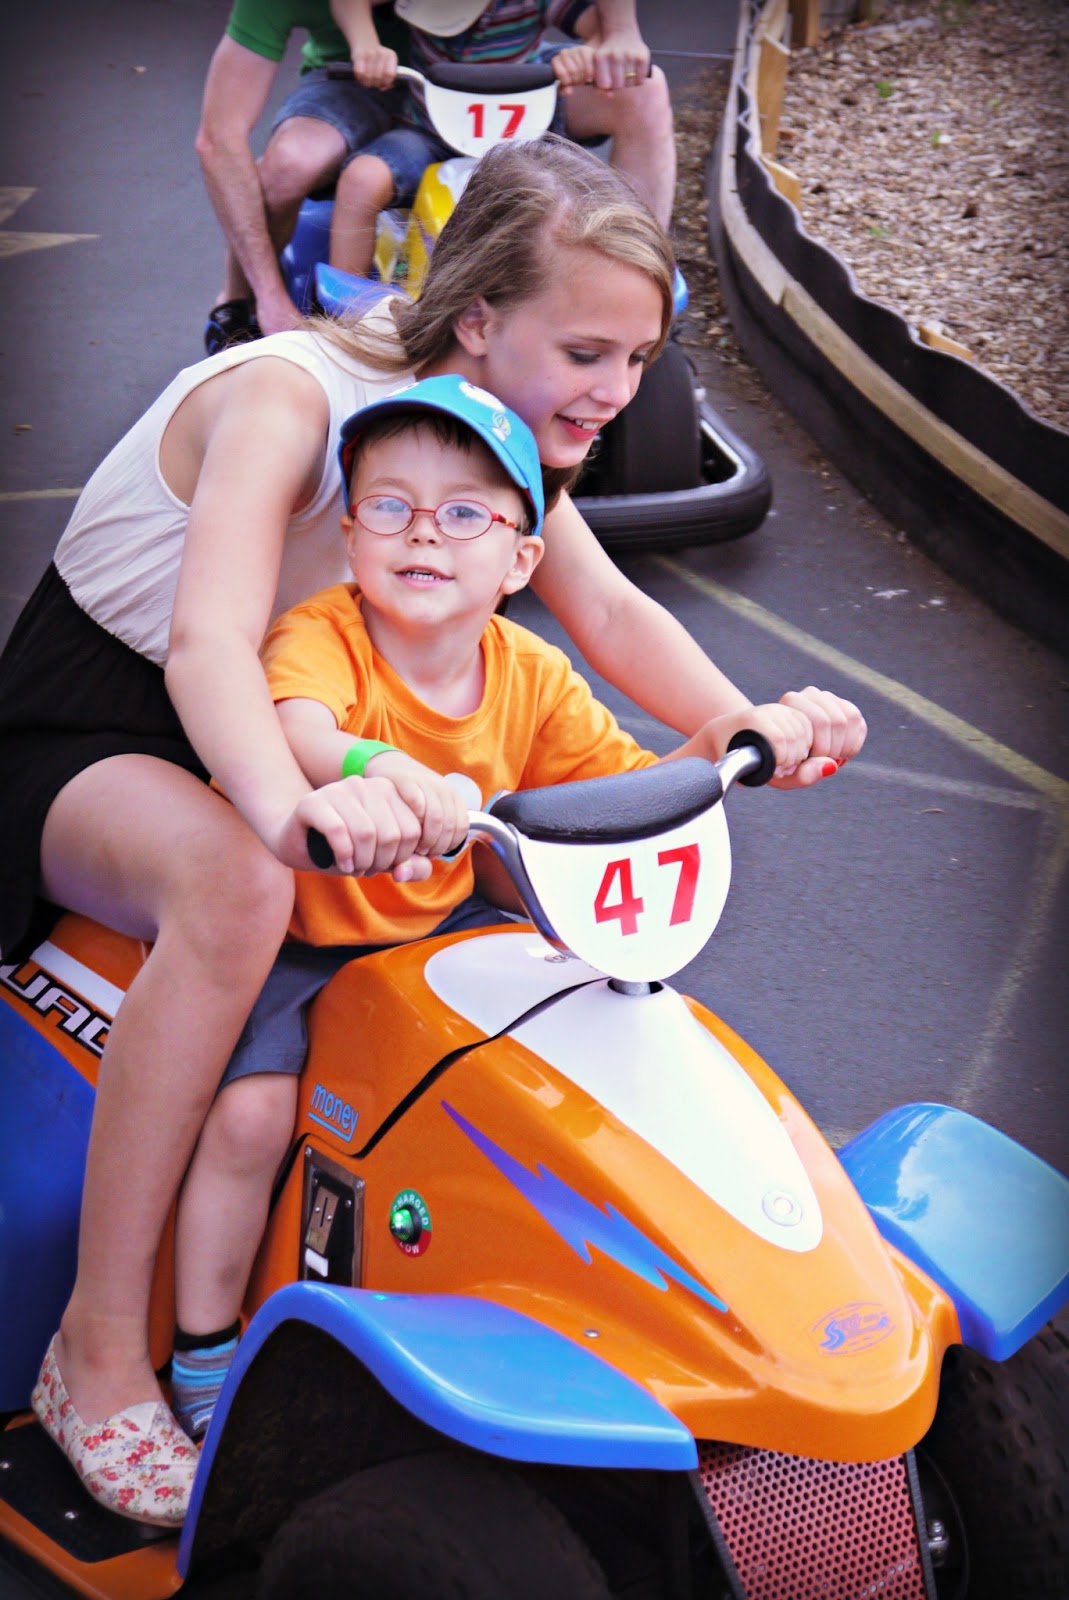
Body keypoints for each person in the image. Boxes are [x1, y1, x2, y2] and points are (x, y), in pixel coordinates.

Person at [0, 134, 863, 1529]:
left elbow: (610, 617)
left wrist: (745, 726)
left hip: (337, 743)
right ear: (479, 320)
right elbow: (206, 644)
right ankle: (98, 1352)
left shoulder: (499, 447)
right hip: (121, 728)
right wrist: (288, 811)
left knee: (535, 913)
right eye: (587, 350)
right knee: (234, 888)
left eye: (639, 360)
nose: (616, 392)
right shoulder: (292, 398)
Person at [166, 372, 841, 1442]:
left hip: (443, 927)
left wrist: (755, 736)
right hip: (305, 934)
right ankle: (201, 1347)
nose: (422, 534)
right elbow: (291, 722)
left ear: (522, 559)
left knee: (569, 1066)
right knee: (250, 1118)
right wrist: (369, 767)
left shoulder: (529, 674)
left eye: (465, 513)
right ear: (350, 535)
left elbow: (619, 790)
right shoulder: (322, 635)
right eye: (389, 506)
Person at [328, 0, 676, 279]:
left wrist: (587, 52)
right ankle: (345, 314)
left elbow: (599, 31)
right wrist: (366, 47)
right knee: (362, 179)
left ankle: (637, 271)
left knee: (555, 214)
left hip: (526, 125)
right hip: (429, 129)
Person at [196, 0, 414, 349]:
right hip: (350, 77)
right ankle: (240, 300)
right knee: (288, 166)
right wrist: (272, 299)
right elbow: (218, 138)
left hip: (481, 80)